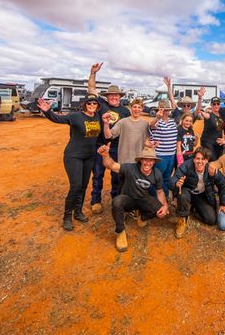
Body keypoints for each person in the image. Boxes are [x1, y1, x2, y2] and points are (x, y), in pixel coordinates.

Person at [37, 94, 105, 231]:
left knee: (84, 185)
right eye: (89, 103)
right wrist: (48, 112)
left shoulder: (98, 117)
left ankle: (78, 212)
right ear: (84, 104)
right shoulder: (76, 116)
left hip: (89, 156)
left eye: (94, 103)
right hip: (74, 156)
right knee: (76, 186)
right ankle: (67, 217)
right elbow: (58, 118)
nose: (92, 105)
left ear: (98, 105)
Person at [98, 144, 169, 252]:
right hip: (128, 199)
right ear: (141, 160)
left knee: (160, 209)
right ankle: (121, 232)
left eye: (150, 160)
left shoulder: (157, 174)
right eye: (145, 159)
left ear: (154, 162)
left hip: (143, 199)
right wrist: (105, 155)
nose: (147, 163)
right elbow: (111, 165)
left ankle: (142, 216)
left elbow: (160, 192)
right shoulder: (130, 168)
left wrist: (164, 206)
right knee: (116, 202)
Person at [87, 62, 130, 214]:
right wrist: (93, 73)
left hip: (118, 148)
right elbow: (91, 89)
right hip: (101, 145)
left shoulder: (125, 111)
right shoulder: (102, 105)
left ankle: (116, 200)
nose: (113, 97)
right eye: (111, 95)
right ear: (107, 97)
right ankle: (96, 201)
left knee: (116, 175)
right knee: (98, 174)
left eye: (116, 95)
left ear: (120, 97)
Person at [170, 147, 225, 238]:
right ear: (193, 159)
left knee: (211, 220)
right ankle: (183, 219)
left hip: (200, 195)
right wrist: (176, 184)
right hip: (187, 191)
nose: (200, 161)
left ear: (207, 161)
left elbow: (223, 184)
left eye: (203, 159)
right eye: (197, 158)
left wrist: (223, 203)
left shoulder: (211, 169)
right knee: (182, 195)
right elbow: (172, 181)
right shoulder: (186, 166)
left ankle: (194, 209)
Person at [103, 98, 152, 165]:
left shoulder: (145, 124)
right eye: (134, 107)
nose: (137, 109)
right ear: (130, 108)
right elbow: (108, 136)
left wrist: (151, 145)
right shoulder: (123, 122)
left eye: (139, 107)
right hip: (124, 161)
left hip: (139, 160)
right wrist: (106, 124)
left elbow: (146, 142)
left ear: (142, 109)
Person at [148, 99, 177, 198]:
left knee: (167, 178)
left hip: (171, 155)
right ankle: (155, 199)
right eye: (163, 110)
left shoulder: (173, 122)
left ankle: (165, 197)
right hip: (160, 156)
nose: (166, 112)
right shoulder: (157, 122)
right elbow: (152, 126)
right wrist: (157, 117)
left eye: (167, 110)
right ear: (159, 110)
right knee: (157, 178)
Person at [198, 96, 225, 161]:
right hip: (208, 143)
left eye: (218, 104)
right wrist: (200, 98)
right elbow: (199, 112)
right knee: (212, 161)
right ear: (211, 105)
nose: (216, 106)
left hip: (218, 143)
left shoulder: (221, 115)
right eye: (214, 104)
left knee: (218, 161)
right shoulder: (209, 115)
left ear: (220, 105)